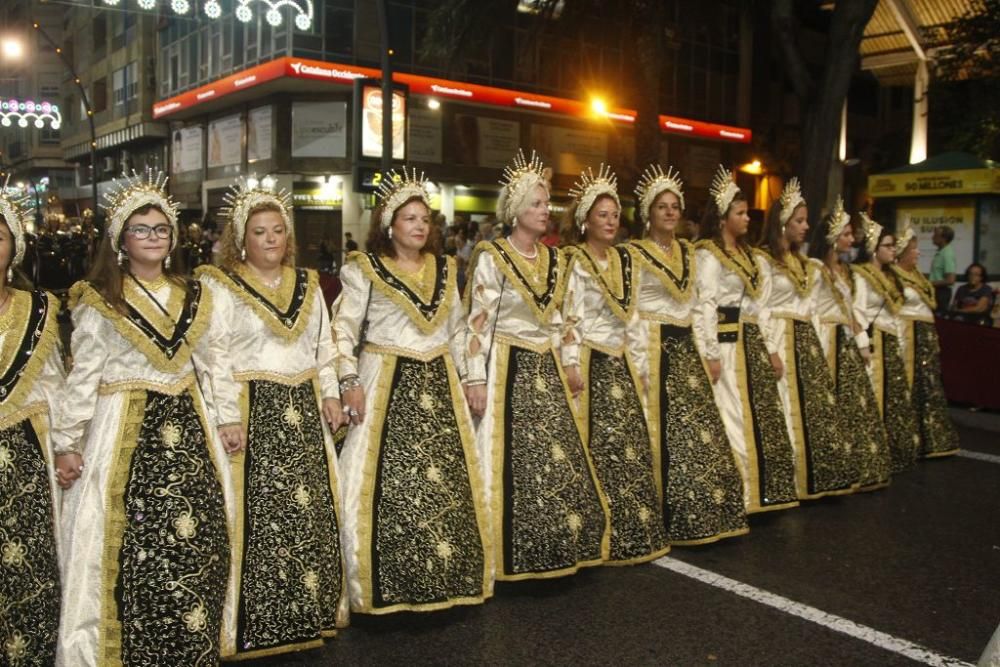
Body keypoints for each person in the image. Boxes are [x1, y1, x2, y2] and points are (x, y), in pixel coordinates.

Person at [51, 169, 239, 666]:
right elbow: (83, 377)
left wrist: (228, 418)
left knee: (196, 535)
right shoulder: (99, 301)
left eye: (161, 229)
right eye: (141, 229)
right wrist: (69, 441)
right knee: (129, 542)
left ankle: (184, 640)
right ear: (120, 241)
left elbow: (215, 361)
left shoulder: (197, 295)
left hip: (190, 427)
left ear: (174, 237)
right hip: (123, 430)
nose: (153, 237)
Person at [196, 177, 349, 658]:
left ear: (289, 237)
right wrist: (225, 417)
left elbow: (324, 343)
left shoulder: (307, 282)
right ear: (241, 237)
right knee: (255, 515)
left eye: (277, 231)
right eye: (259, 232)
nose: (269, 240)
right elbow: (214, 354)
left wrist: (329, 391)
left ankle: (307, 609)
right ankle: (254, 619)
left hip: (302, 410)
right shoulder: (220, 284)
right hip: (250, 408)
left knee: (307, 512)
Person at [333, 168, 491, 613]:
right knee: (390, 487)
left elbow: (460, 331)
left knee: (443, 487)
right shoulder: (364, 269)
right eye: (410, 219)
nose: (420, 226)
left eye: (425, 219)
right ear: (389, 225)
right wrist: (349, 381)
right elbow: (342, 330)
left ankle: (443, 576)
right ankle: (386, 583)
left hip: (439, 385)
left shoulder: (447, 268)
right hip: (384, 380)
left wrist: (473, 376)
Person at [464, 150, 609, 580]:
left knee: (555, 459)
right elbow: (478, 324)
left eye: (547, 204)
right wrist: (476, 378)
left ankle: (554, 544)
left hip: (546, 368)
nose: (545, 211)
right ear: (514, 210)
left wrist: (570, 362)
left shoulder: (557, 259)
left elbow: (568, 318)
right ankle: (508, 550)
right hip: (507, 364)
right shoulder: (492, 256)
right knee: (511, 462)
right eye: (536, 204)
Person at [628, 165, 747, 544]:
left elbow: (701, 305)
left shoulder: (690, 252)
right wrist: (639, 362)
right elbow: (628, 309)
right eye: (661, 206)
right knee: (655, 428)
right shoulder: (632, 253)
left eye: (674, 206)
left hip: (683, 348)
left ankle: (698, 511)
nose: (669, 212)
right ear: (648, 213)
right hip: (650, 342)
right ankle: (658, 512)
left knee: (694, 430)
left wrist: (709, 351)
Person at [559, 165, 670, 563]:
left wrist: (638, 363)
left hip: (618, 360)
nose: (610, 222)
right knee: (593, 444)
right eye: (601, 215)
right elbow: (569, 315)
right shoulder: (572, 259)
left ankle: (632, 530)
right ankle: (595, 533)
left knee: (626, 445)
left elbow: (635, 316)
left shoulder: (626, 261)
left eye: (614, 215)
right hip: (587, 359)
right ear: (584, 220)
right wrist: (571, 362)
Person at [694, 166, 798, 515]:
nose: (747, 218)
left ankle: (764, 491)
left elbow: (761, 306)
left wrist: (771, 349)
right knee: (731, 414)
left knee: (760, 414)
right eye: (740, 213)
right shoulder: (708, 254)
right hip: (725, 344)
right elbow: (705, 306)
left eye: (747, 212)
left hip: (750, 344)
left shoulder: (749, 257)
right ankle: (736, 494)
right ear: (723, 218)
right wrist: (709, 353)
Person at [757, 179, 856, 499]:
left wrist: (817, 346)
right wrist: (770, 349)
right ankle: (786, 481)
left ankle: (815, 477)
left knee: (814, 409)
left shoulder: (809, 265)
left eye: (806, 220)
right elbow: (761, 307)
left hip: (805, 341)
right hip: (778, 336)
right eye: (799, 220)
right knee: (782, 406)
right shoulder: (763, 260)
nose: (805, 226)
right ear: (782, 223)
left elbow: (812, 308)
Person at [0, 185, 65, 665]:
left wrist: (65, 445)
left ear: (15, 247)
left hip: (25, 450)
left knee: (30, 560)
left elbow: (56, 381)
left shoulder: (39, 308)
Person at [808, 197, 891, 490]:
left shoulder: (846, 273)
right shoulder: (815, 268)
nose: (851, 238)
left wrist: (862, 342)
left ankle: (854, 466)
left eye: (851, 234)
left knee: (852, 404)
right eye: (845, 234)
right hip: (825, 337)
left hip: (843, 340)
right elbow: (811, 307)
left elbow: (853, 311)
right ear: (831, 238)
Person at [852, 213, 920, 474]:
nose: (894, 250)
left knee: (894, 399)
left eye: (894, 246)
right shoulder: (861, 276)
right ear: (873, 248)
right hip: (875, 340)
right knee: (874, 395)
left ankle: (892, 452)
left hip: (891, 341)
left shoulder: (892, 277)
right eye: (888, 246)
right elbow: (857, 312)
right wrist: (863, 344)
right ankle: (870, 455)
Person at [892, 223, 960, 459]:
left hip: (924, 337)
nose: (918, 253)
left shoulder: (918, 277)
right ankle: (906, 436)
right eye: (914, 250)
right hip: (907, 334)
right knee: (907, 382)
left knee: (928, 385)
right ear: (902, 253)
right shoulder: (894, 276)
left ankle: (930, 436)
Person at [929, 226, 957, 316]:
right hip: (935, 291)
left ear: (944, 238)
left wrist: (929, 283)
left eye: (936, 235)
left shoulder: (947, 254)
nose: (932, 237)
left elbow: (950, 280)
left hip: (941, 292)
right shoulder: (940, 252)